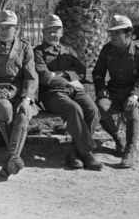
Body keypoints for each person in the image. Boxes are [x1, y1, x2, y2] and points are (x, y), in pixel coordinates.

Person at [33, 14, 103, 171]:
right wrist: (68, 77)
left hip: (74, 89)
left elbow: (82, 72)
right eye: (49, 31)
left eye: (56, 30)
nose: (53, 34)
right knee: (74, 109)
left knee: (92, 110)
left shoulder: (68, 51)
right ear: (43, 33)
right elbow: (44, 77)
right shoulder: (37, 52)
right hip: (52, 94)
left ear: (62, 32)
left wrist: (61, 74)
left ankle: (74, 152)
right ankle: (87, 154)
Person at [0, 10, 38, 179]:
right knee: (6, 109)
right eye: (1, 27)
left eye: (8, 27)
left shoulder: (25, 47)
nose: (3, 31)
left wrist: (26, 99)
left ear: (16, 29)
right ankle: (14, 157)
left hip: (21, 93)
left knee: (23, 113)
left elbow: (31, 77)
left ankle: (12, 159)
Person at [93, 14, 139, 169]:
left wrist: (134, 95)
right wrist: (101, 89)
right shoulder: (108, 50)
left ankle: (130, 150)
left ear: (128, 33)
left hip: (133, 94)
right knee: (98, 108)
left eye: (116, 33)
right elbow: (98, 73)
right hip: (113, 92)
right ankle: (118, 138)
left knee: (131, 108)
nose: (112, 36)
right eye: (111, 33)